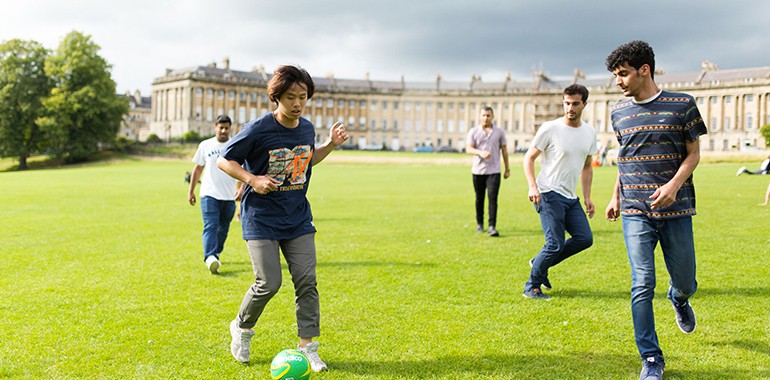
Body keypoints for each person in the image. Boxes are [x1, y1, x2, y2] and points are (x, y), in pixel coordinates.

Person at [216, 65, 348, 371]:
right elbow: (225, 160)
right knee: (268, 282)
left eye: (303, 97)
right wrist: (252, 180)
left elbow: (306, 159)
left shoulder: (306, 128)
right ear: (277, 97)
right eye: (291, 97)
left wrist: (330, 145)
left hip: (298, 217)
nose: (298, 103)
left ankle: (309, 347)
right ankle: (242, 328)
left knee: (306, 281)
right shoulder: (258, 128)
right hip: (261, 218)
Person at [605, 40, 707, 380]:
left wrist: (674, 185)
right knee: (641, 282)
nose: (618, 82)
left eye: (622, 74)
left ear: (643, 70)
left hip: (676, 209)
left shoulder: (683, 105)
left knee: (686, 281)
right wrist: (615, 196)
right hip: (636, 209)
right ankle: (651, 358)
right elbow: (626, 159)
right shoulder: (619, 112)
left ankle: (679, 298)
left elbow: (693, 154)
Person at [522, 84, 596, 300]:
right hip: (548, 192)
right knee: (554, 244)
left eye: (574, 104)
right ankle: (532, 287)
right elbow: (529, 158)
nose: (570, 108)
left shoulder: (589, 132)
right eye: (566, 103)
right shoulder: (550, 128)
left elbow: (587, 166)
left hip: (570, 197)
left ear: (584, 104)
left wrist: (588, 196)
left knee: (584, 238)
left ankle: (539, 262)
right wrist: (532, 186)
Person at [187, 114, 241, 274]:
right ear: (215, 127)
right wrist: (191, 191)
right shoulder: (206, 145)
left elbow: (242, 169)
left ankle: (215, 253)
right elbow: (198, 169)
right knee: (210, 225)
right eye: (221, 127)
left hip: (229, 196)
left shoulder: (235, 145)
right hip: (209, 194)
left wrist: (241, 188)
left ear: (230, 128)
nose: (223, 131)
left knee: (223, 228)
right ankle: (210, 256)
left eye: (226, 128)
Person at [465, 106, 511, 236]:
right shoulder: (473, 131)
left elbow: (505, 151)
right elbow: (468, 149)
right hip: (478, 171)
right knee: (479, 198)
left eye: (488, 115)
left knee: (492, 198)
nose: (486, 118)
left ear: (493, 117)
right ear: (480, 117)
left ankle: (492, 226)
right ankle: (480, 223)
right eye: (484, 115)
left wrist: (507, 169)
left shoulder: (499, 132)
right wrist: (480, 153)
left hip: (494, 170)